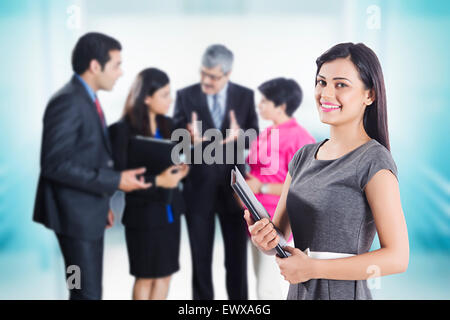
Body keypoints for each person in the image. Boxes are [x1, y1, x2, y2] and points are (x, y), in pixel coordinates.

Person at [244, 42, 409, 300]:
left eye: (340, 84)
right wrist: (265, 238)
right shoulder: (303, 157)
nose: (326, 93)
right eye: (321, 82)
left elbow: (398, 258)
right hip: (299, 293)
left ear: (370, 95)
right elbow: (281, 235)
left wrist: (314, 268)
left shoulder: (373, 160)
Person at [33, 32, 152, 300]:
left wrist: (102, 202)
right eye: (116, 65)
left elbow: (85, 156)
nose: (121, 73)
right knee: (83, 291)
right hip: (73, 219)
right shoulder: (68, 101)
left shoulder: (86, 98)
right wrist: (115, 181)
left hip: (86, 211)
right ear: (95, 66)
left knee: (85, 290)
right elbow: (55, 164)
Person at [173, 44, 259, 300]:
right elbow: (176, 142)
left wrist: (238, 135)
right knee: (200, 258)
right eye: (203, 73)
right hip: (197, 190)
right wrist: (186, 138)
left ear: (227, 73)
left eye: (213, 76)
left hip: (234, 191)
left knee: (237, 259)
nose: (206, 81)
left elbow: (253, 139)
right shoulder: (185, 96)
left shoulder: (244, 96)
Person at [109, 68, 189, 300]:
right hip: (143, 216)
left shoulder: (171, 127)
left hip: (171, 213)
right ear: (146, 97)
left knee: (165, 276)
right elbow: (119, 179)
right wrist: (159, 180)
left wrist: (180, 172)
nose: (170, 99)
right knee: (145, 277)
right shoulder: (121, 131)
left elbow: (178, 161)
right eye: (164, 95)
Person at [245, 77, 315, 299]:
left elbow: (306, 184)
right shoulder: (266, 133)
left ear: (281, 106)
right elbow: (256, 170)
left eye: (265, 101)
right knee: (261, 282)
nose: (260, 105)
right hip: (258, 218)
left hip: (280, 221)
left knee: (268, 287)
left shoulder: (300, 137)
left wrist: (262, 187)